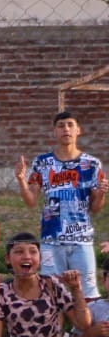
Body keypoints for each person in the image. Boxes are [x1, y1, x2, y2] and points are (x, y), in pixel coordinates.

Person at [16, 111, 104, 300]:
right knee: (51, 292)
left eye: (70, 125)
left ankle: (84, 330)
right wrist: (21, 180)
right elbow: (31, 201)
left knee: (87, 293)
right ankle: (55, 330)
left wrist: (103, 192)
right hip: (51, 239)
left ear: (78, 130)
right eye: (61, 125)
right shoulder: (43, 163)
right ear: (54, 131)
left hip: (82, 238)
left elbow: (96, 208)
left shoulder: (92, 164)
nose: (66, 129)